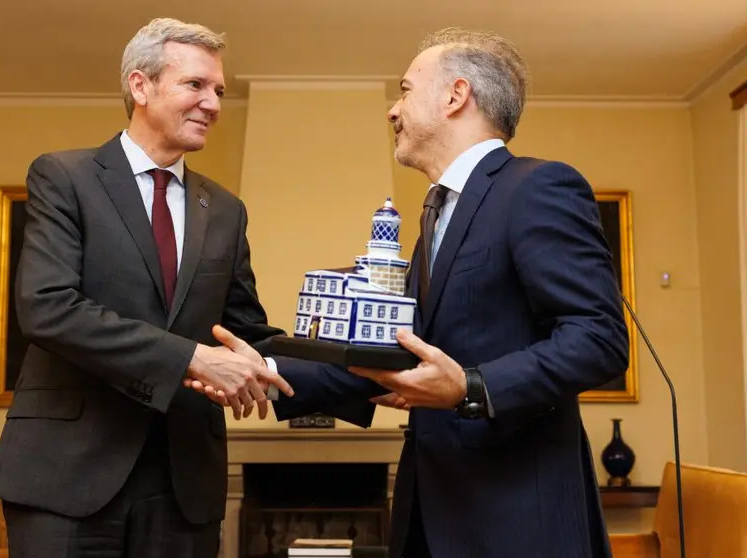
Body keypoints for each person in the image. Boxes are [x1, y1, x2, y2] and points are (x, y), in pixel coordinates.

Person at [189, 27, 629, 558]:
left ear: (455, 96)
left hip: (516, 521)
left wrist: (469, 387)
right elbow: (396, 351)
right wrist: (267, 371)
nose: (392, 110)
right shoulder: (436, 217)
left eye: (404, 90)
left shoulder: (536, 187)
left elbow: (599, 339)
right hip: (431, 511)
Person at [0, 17, 293, 558]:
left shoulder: (226, 210)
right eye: (195, 85)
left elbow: (244, 331)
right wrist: (193, 359)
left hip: (183, 484)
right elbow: (47, 308)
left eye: (219, 91)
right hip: (66, 476)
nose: (213, 104)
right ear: (140, 85)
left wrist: (352, 362)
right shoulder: (64, 177)